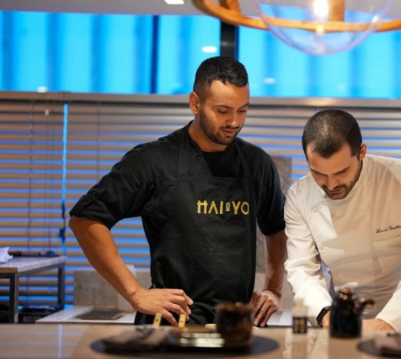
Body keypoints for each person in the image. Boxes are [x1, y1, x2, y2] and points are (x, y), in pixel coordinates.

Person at [69, 57, 286, 327]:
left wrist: (273, 289)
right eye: (223, 110)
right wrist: (135, 293)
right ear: (195, 103)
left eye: (242, 110)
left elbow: (276, 228)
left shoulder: (257, 164)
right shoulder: (153, 160)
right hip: (171, 325)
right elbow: (85, 218)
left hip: (235, 326)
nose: (234, 121)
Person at [284, 109, 401, 332]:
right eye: (318, 173)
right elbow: (302, 269)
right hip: (345, 318)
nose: (331, 185)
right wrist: (326, 315)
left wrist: (384, 323)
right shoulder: (299, 196)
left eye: (341, 172)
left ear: (362, 152)